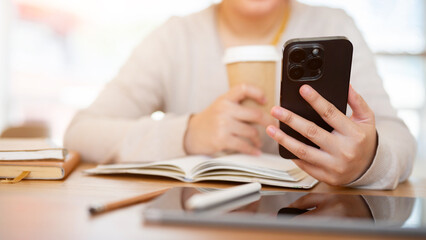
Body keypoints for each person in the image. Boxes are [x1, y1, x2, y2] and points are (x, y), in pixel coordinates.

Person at [64, 0, 416, 190]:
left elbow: (400, 139)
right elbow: (81, 132)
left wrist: (367, 159)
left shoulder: (335, 25)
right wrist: (187, 132)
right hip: (197, 221)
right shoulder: (175, 38)